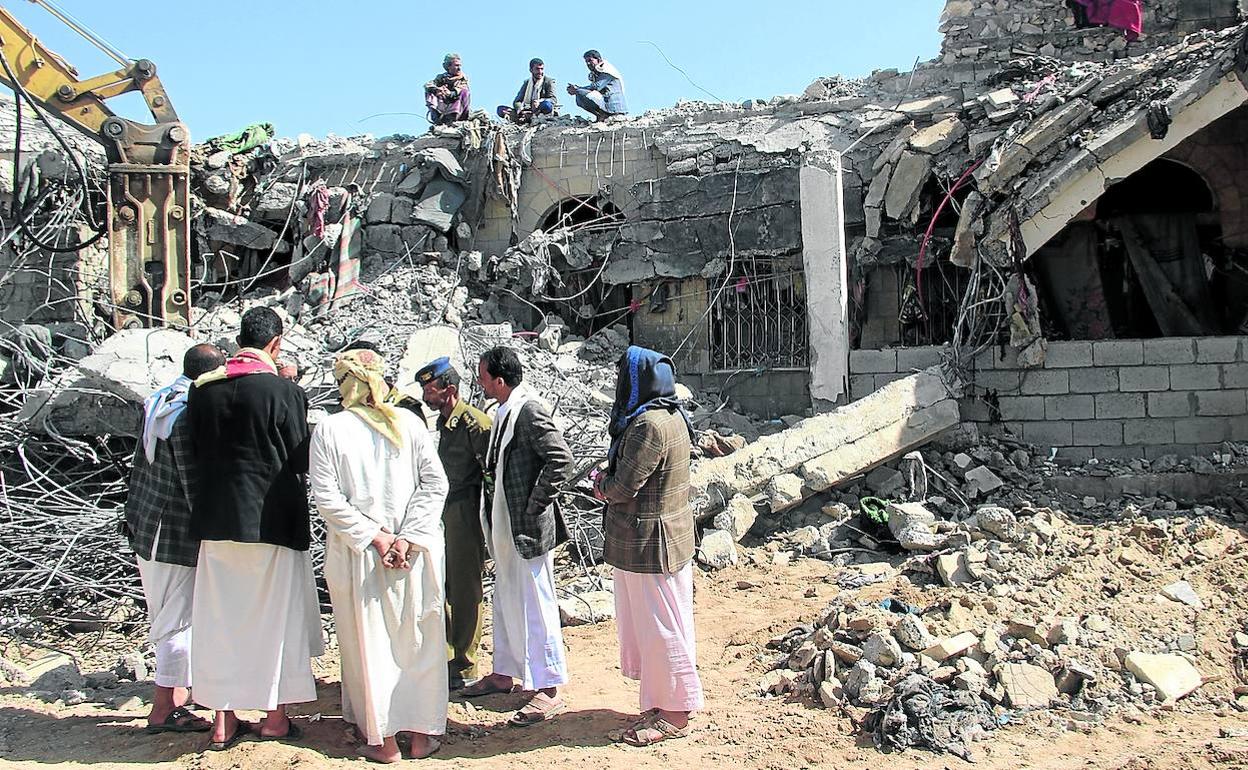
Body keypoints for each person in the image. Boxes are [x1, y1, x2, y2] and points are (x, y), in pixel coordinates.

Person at [186, 306, 323, 751]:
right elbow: (302, 461)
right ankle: (274, 718)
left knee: (220, 622)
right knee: (273, 622)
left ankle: (223, 721)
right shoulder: (285, 393)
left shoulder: (203, 392)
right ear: (275, 344)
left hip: (216, 521)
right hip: (273, 522)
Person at [309, 348, 450, 763]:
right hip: (414, 552)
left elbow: (327, 498)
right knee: (419, 638)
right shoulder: (409, 423)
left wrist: (377, 538)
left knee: (369, 643)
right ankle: (422, 734)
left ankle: (382, 741)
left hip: (364, 556)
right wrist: (405, 538)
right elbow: (435, 485)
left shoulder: (330, 429)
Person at [593, 346, 704, 746]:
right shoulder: (673, 417)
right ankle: (666, 700)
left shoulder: (647, 427)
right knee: (666, 622)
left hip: (648, 542)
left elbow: (624, 486)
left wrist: (600, 485)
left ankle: (674, 711)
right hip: (665, 538)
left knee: (660, 627)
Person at [460, 346, 573, 726]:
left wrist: (534, 505)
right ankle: (505, 672)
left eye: (483, 376)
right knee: (507, 598)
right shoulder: (505, 411)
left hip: (525, 527)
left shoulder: (529, 411)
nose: (480, 382)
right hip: (505, 525)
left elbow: (560, 459)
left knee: (537, 604)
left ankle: (549, 687)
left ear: (500, 380)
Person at [123, 343, 225, 735]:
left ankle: (177, 698)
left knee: (167, 613)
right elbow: (191, 482)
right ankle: (165, 707)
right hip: (172, 533)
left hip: (147, 524)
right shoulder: (184, 414)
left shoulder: (159, 401)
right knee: (176, 619)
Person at [414, 357, 492, 691]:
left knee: (464, 589)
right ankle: (446, 657)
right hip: (442, 512)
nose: (425, 396)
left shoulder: (475, 424)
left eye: (430, 389)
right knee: (442, 586)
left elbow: (491, 472)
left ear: (450, 390)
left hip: (465, 511)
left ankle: (465, 663)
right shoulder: (441, 424)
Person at [566, 49, 627, 121]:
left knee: (580, 92)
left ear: (598, 60)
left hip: (614, 105)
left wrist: (577, 88)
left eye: (590, 60)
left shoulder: (606, 70)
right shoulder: (595, 73)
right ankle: (601, 115)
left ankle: (605, 115)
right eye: (586, 62)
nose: (588, 64)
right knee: (579, 96)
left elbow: (596, 87)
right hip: (605, 100)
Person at [497, 58, 559, 124]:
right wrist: (520, 109)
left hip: (540, 110)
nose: (540, 72)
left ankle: (535, 118)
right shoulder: (527, 82)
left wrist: (539, 102)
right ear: (531, 70)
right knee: (500, 109)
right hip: (526, 110)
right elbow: (517, 101)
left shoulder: (549, 81)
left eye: (542, 69)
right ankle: (524, 118)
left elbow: (553, 99)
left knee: (546, 105)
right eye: (537, 69)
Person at [425, 53, 471, 125]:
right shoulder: (441, 77)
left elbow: (461, 89)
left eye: (459, 65)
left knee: (465, 92)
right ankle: (436, 116)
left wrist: (450, 93)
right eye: (456, 65)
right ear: (448, 66)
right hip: (443, 103)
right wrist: (437, 89)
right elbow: (428, 85)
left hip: (456, 102)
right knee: (429, 92)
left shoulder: (462, 78)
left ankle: (452, 117)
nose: (459, 68)